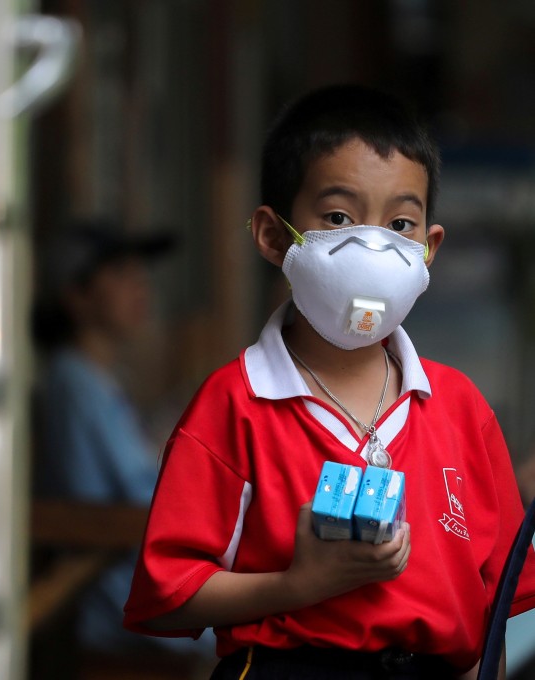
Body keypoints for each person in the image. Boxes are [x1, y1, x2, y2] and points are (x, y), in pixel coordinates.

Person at [122, 83, 535, 679]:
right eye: (338, 216)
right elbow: (168, 598)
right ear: (272, 235)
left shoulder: (461, 408)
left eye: (400, 223)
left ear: (429, 247)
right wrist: (300, 585)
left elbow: (495, 608)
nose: (372, 243)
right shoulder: (235, 403)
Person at [31, 219, 215, 663]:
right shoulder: (74, 382)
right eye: (120, 275)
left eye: (140, 275)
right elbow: (144, 490)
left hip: (134, 576)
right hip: (118, 591)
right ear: (76, 296)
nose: (140, 288)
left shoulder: (99, 379)